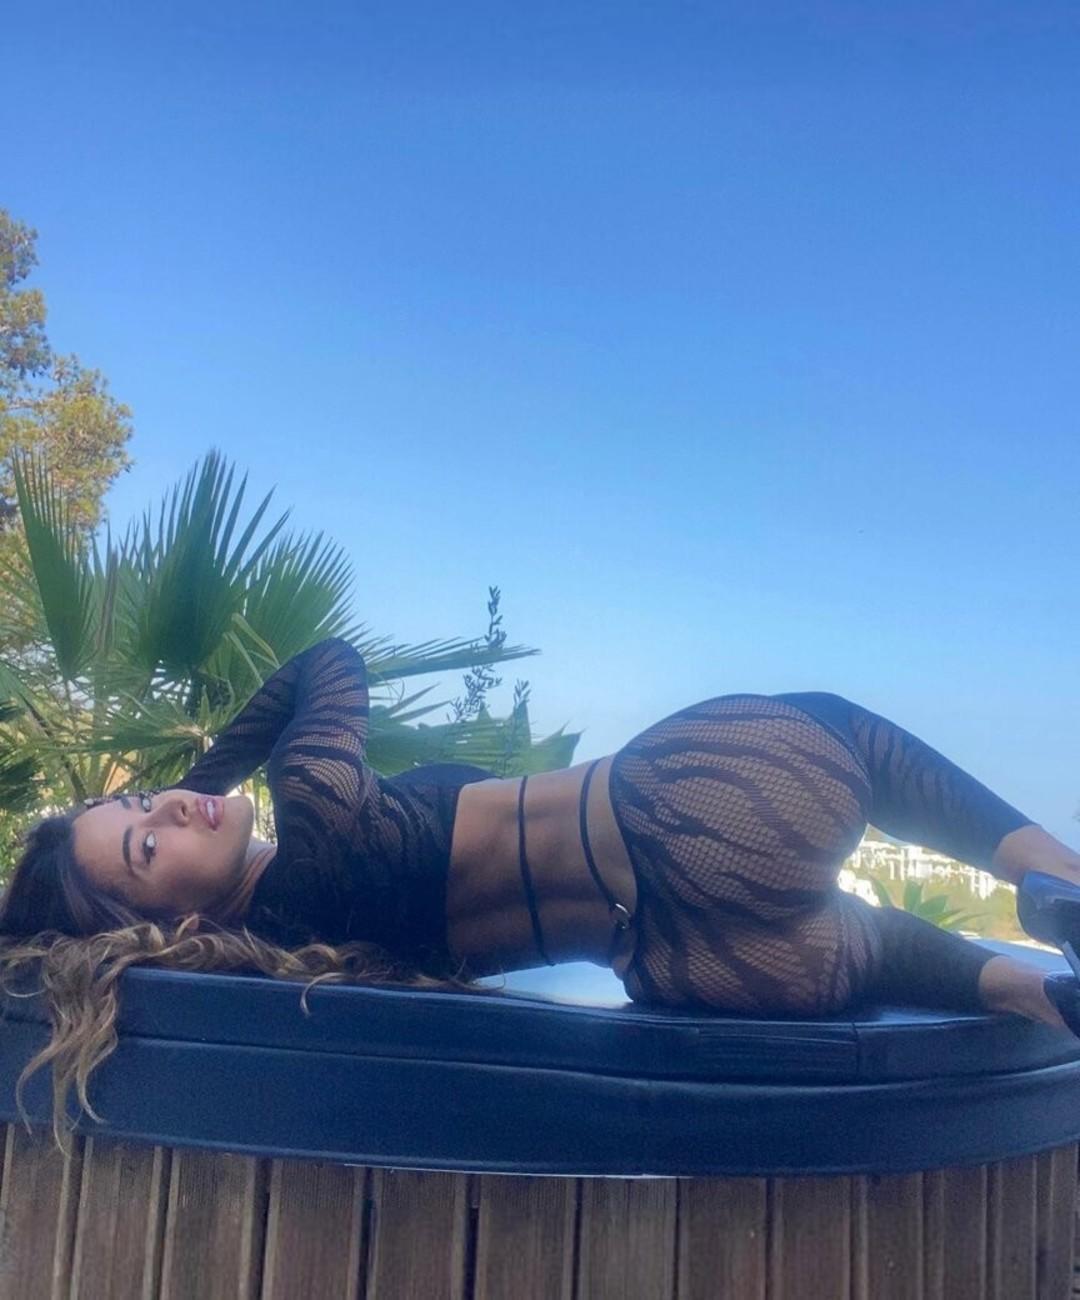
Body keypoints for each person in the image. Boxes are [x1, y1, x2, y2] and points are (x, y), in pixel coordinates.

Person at [3, 635, 1080, 1150]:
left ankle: (1031, 990)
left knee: (864, 944)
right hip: (687, 806)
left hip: (689, 960)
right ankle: (1053, 879)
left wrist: (171, 816)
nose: (173, 809)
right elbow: (327, 663)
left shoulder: (299, 953)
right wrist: (211, 773)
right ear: (177, 919)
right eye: (147, 845)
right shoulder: (317, 814)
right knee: (843, 732)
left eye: (143, 797)